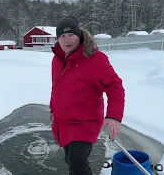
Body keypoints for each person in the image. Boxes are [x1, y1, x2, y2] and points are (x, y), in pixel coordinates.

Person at [49, 16, 125, 175]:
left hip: (86, 121)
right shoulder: (57, 60)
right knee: (70, 160)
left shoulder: (95, 59)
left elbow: (115, 86)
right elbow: (56, 88)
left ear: (79, 35)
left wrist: (113, 116)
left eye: (71, 35)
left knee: (77, 162)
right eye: (62, 36)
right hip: (63, 121)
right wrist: (53, 110)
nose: (67, 40)